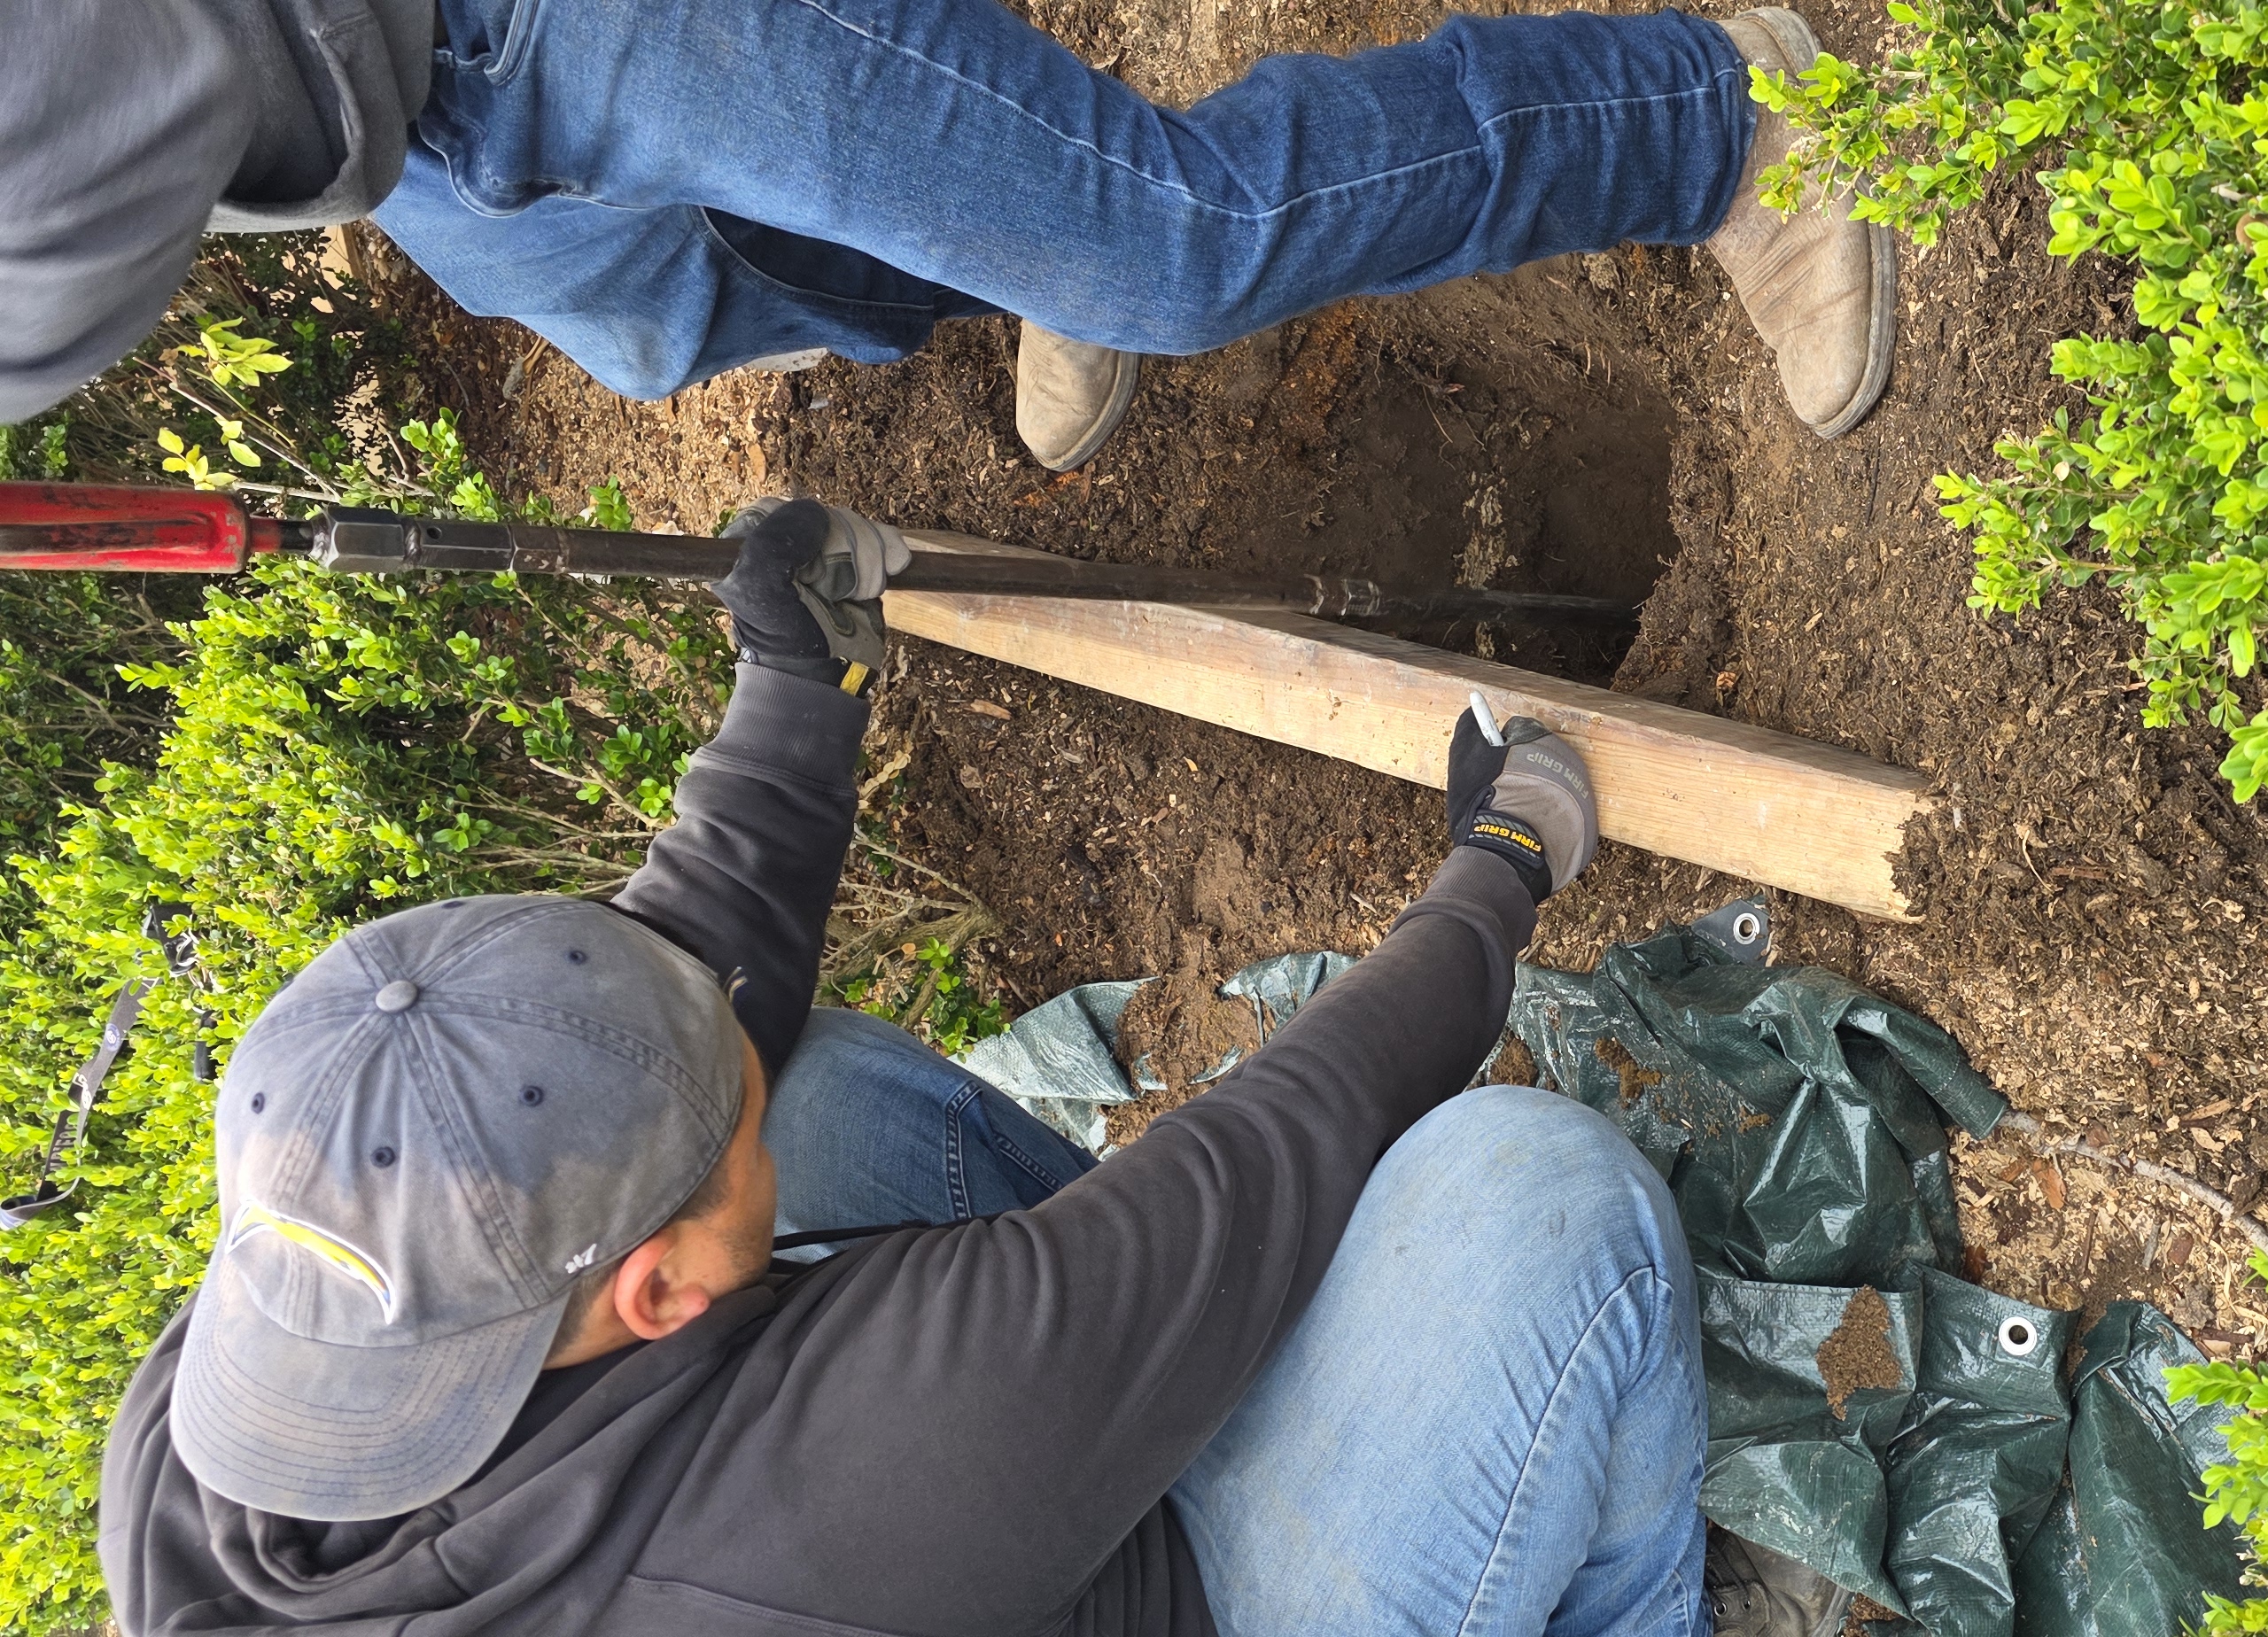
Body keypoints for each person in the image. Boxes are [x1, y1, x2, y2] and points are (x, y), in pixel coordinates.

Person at [96, 497, 1713, 1633]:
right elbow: (1280, 1147)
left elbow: (644, 1009)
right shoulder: (839, 1501)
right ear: (652, 1292)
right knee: (1535, 1206)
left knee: (806, 1092)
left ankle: (1173, 1380)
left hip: (949, 1497)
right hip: (1124, 1587)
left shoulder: (235, 1399)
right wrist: (1500, 864)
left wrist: (799, 689)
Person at [0, 0, 1894, 469]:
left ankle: (1713, 119)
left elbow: (96, 136)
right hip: (384, 112)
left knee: (1169, 249)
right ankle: (1013, 220)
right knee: (684, 315)